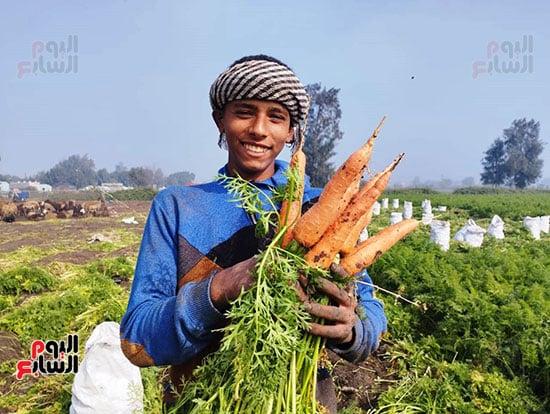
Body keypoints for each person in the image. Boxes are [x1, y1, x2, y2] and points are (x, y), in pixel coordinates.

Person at [120, 54, 387, 412]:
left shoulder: (328, 210)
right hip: (203, 402)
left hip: (305, 401)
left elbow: (371, 313)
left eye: (276, 117)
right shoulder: (177, 206)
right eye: (244, 112)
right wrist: (220, 288)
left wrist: (353, 329)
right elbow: (137, 338)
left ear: (291, 131)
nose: (259, 129)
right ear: (220, 120)